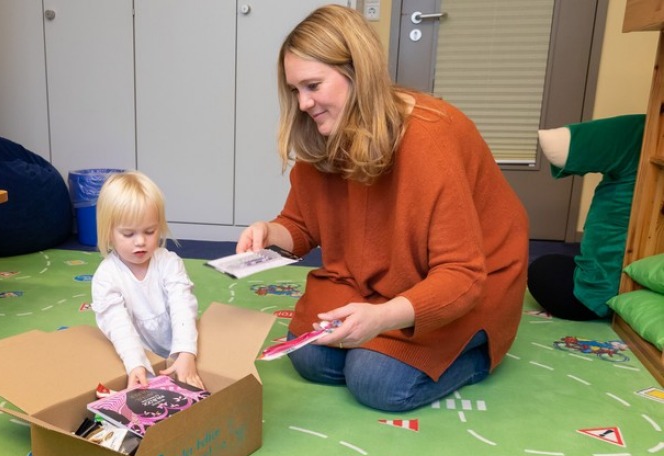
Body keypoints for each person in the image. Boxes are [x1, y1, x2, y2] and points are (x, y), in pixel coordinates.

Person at [236, 5, 529, 412]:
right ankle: (382, 343)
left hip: (471, 282)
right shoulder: (325, 130)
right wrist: (269, 233)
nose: (303, 103)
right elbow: (301, 225)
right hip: (381, 277)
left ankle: (475, 352)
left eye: (312, 86)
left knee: (376, 381)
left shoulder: (431, 137)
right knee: (309, 354)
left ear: (357, 72)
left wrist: (383, 319)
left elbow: (461, 274)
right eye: (294, 91)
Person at [91, 170, 203, 390]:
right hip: (138, 355)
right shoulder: (106, 276)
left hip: (177, 349)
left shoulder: (169, 262)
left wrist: (186, 352)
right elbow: (119, 326)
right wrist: (135, 365)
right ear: (108, 233)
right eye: (128, 234)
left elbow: (183, 307)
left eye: (150, 231)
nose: (141, 241)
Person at [528, 114, 644, 321]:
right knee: (557, 262)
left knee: (541, 268)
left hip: (596, 295)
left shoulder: (642, 131)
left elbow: (557, 142)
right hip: (635, 280)